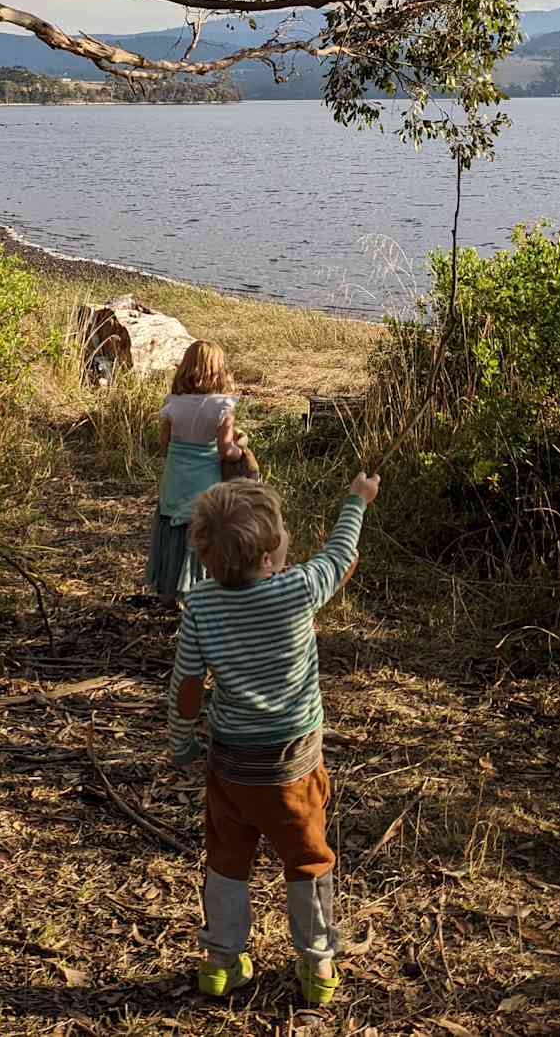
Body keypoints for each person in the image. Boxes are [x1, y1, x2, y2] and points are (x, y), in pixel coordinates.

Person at [166, 470, 380, 1006]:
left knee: (226, 859)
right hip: (293, 767)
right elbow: (340, 556)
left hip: (231, 767)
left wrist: (182, 743)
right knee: (307, 858)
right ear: (268, 556)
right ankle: (319, 965)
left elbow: (187, 687)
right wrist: (357, 498)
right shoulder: (297, 590)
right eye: (282, 531)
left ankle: (221, 963)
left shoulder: (201, 606)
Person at [145, 341, 244, 609]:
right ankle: (199, 591)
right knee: (201, 532)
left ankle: (168, 588)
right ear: (218, 371)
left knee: (172, 529)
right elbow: (225, 451)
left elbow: (164, 445)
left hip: (174, 479)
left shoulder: (172, 404)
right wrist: (240, 448)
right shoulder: (223, 406)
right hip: (205, 483)